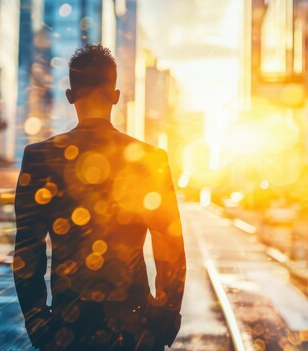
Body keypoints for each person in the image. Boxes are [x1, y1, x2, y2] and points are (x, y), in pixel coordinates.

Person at [13, 44, 186, 351]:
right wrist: (164, 319)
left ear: (70, 96)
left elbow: (28, 251)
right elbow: (169, 245)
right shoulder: (150, 159)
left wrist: (38, 323)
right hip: (135, 327)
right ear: (115, 96)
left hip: (68, 328)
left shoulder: (39, 158)